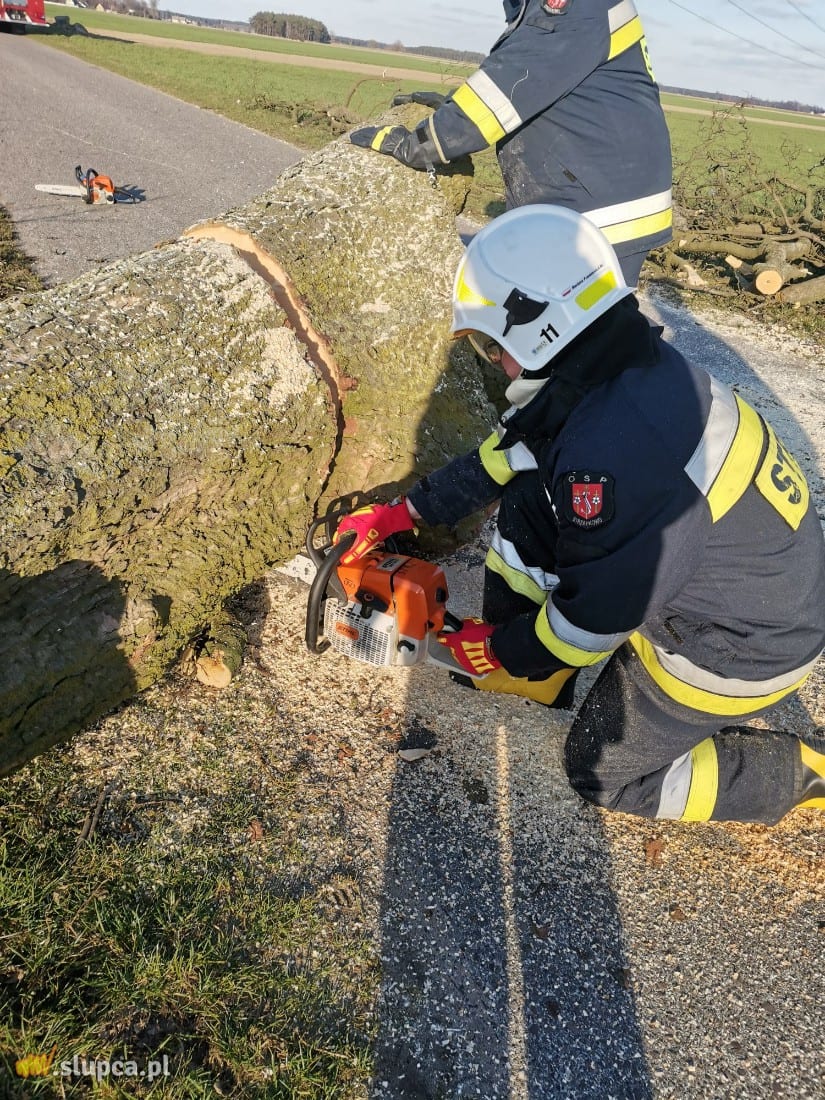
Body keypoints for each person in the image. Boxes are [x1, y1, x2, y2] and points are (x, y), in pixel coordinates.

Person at [334, 204, 825, 825]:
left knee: (602, 772)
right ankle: (538, 678)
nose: (498, 364)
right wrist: (401, 513)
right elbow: (499, 460)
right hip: (734, 579)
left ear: (537, 330)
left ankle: (793, 774)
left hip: (742, 646)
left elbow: (596, 618)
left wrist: (510, 647)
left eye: (493, 347)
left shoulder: (611, 455)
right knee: (528, 490)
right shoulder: (612, 363)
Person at [349, 0, 673, 286]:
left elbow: (512, 82)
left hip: (600, 206)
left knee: (568, 336)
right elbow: (538, 83)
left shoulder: (571, 7)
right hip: (600, 186)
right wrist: (453, 107)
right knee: (582, 329)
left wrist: (422, 143)